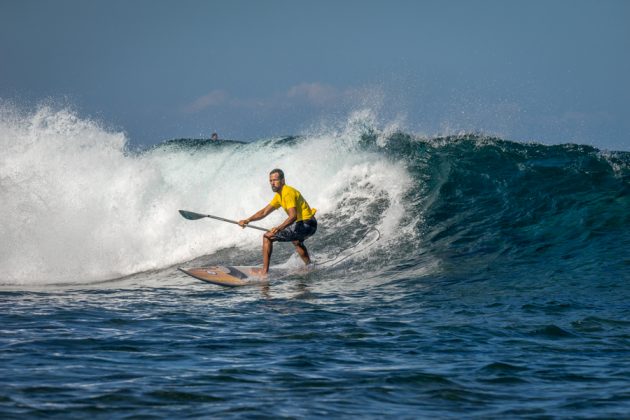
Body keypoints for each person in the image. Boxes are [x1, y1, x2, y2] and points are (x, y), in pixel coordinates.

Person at [238, 169, 317, 275]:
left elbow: (293, 216)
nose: (272, 183)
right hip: (309, 224)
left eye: (275, 180)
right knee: (297, 241)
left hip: (306, 224)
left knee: (268, 236)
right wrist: (248, 220)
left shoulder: (287, 192)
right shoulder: (279, 196)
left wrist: (279, 228)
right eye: (270, 181)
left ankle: (264, 272)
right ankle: (309, 266)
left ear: (283, 180)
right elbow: (264, 212)